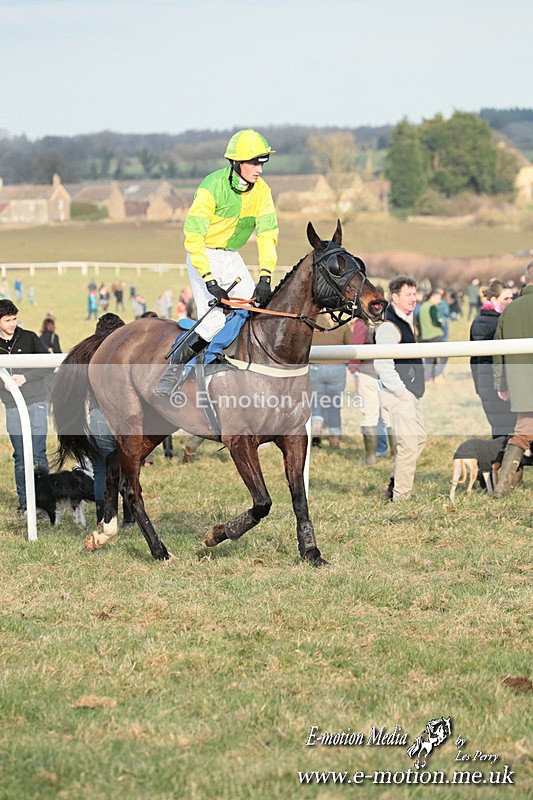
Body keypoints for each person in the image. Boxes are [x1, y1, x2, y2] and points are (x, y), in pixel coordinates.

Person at [155, 129, 279, 396]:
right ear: (237, 163)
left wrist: (266, 276)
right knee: (211, 323)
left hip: (232, 256)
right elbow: (193, 236)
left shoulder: (263, 192)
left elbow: (267, 235)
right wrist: (209, 280)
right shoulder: (211, 186)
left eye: (262, 163)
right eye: (255, 163)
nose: (259, 169)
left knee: (257, 310)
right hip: (204, 255)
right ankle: (172, 372)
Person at [374, 276, 426, 503]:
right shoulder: (389, 325)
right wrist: (401, 392)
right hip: (399, 393)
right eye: (408, 295)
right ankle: (400, 498)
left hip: (411, 393)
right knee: (408, 445)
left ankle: (395, 483)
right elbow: (382, 363)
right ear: (395, 296)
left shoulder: (406, 319)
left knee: (420, 440)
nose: (413, 299)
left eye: (414, 294)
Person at [0, 299, 50, 512]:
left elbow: (48, 365)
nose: (12, 323)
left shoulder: (29, 337)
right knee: (21, 456)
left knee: (38, 454)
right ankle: (25, 504)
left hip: (36, 402)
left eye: (14, 319)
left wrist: (26, 378)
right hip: (12, 407)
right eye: (7, 320)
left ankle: (44, 502)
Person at [492, 261, 533, 497]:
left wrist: (501, 384)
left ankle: (501, 488)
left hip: (522, 386)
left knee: (520, 434)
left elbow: (499, 350)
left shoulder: (510, 309)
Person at [470, 279, 515, 438]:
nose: (510, 302)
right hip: (497, 381)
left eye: (512, 298)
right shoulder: (499, 321)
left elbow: (474, 358)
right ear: (494, 299)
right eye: (506, 299)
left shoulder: (478, 320)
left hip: (485, 381)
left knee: (500, 427)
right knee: (507, 427)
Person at [349, 317, 394, 465]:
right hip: (388, 371)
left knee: (369, 414)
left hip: (368, 372)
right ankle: (395, 454)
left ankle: (370, 457)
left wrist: (353, 367)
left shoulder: (361, 323)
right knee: (389, 415)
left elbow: (356, 348)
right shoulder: (390, 321)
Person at [309, 313, 351, 449]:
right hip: (337, 368)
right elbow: (348, 344)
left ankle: (315, 431)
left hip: (314, 365)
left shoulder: (312, 319)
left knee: (316, 403)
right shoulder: (342, 321)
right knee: (334, 405)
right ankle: (334, 438)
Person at [417, 289, 445, 383]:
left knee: (429, 359)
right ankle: (437, 374)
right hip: (435, 334)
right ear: (432, 297)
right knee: (445, 355)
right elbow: (435, 320)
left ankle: (428, 378)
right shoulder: (432, 307)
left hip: (425, 336)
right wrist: (441, 324)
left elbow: (417, 320)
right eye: (438, 298)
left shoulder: (422, 307)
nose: (439, 301)